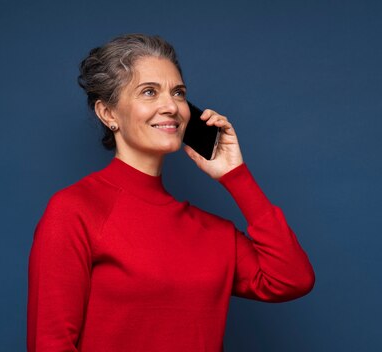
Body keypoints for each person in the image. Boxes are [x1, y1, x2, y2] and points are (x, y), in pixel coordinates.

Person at [27, 33, 315, 352]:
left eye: (178, 93)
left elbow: (292, 279)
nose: (171, 106)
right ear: (108, 114)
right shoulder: (76, 210)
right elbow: (50, 343)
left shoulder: (213, 233)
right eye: (149, 92)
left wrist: (236, 176)